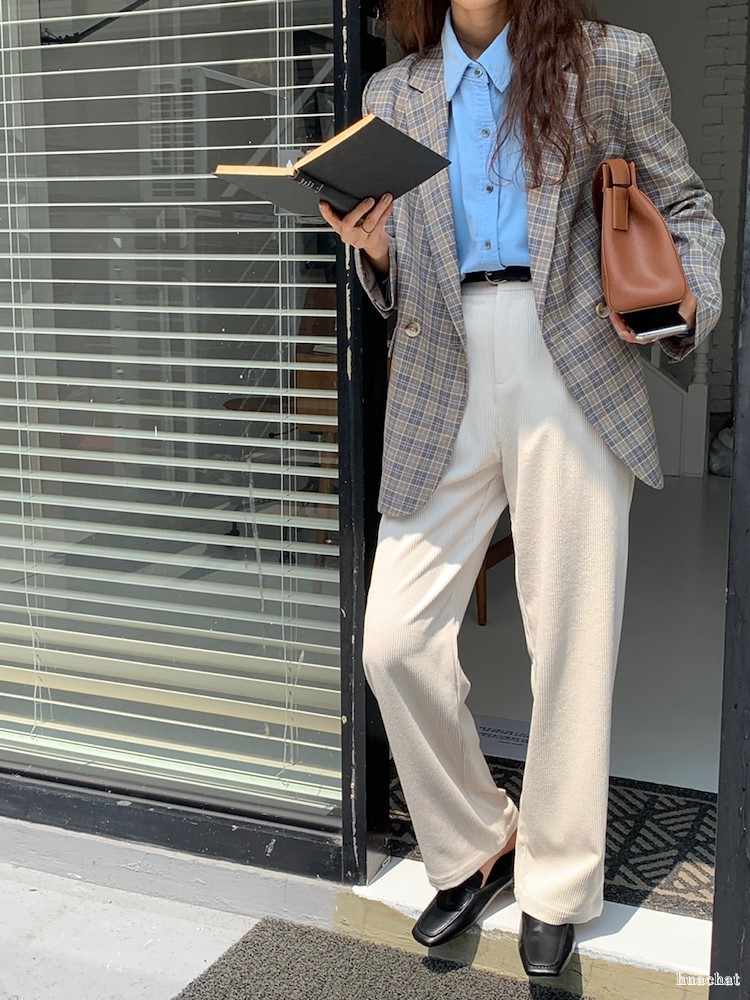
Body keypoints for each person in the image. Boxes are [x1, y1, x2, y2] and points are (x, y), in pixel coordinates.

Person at [319, 0, 725, 979]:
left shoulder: (611, 61)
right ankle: (475, 842)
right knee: (395, 639)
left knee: (571, 644)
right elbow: (403, 275)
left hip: (569, 360)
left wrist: (684, 299)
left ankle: (556, 884)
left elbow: (688, 209)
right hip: (441, 366)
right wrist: (376, 251)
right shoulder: (394, 93)